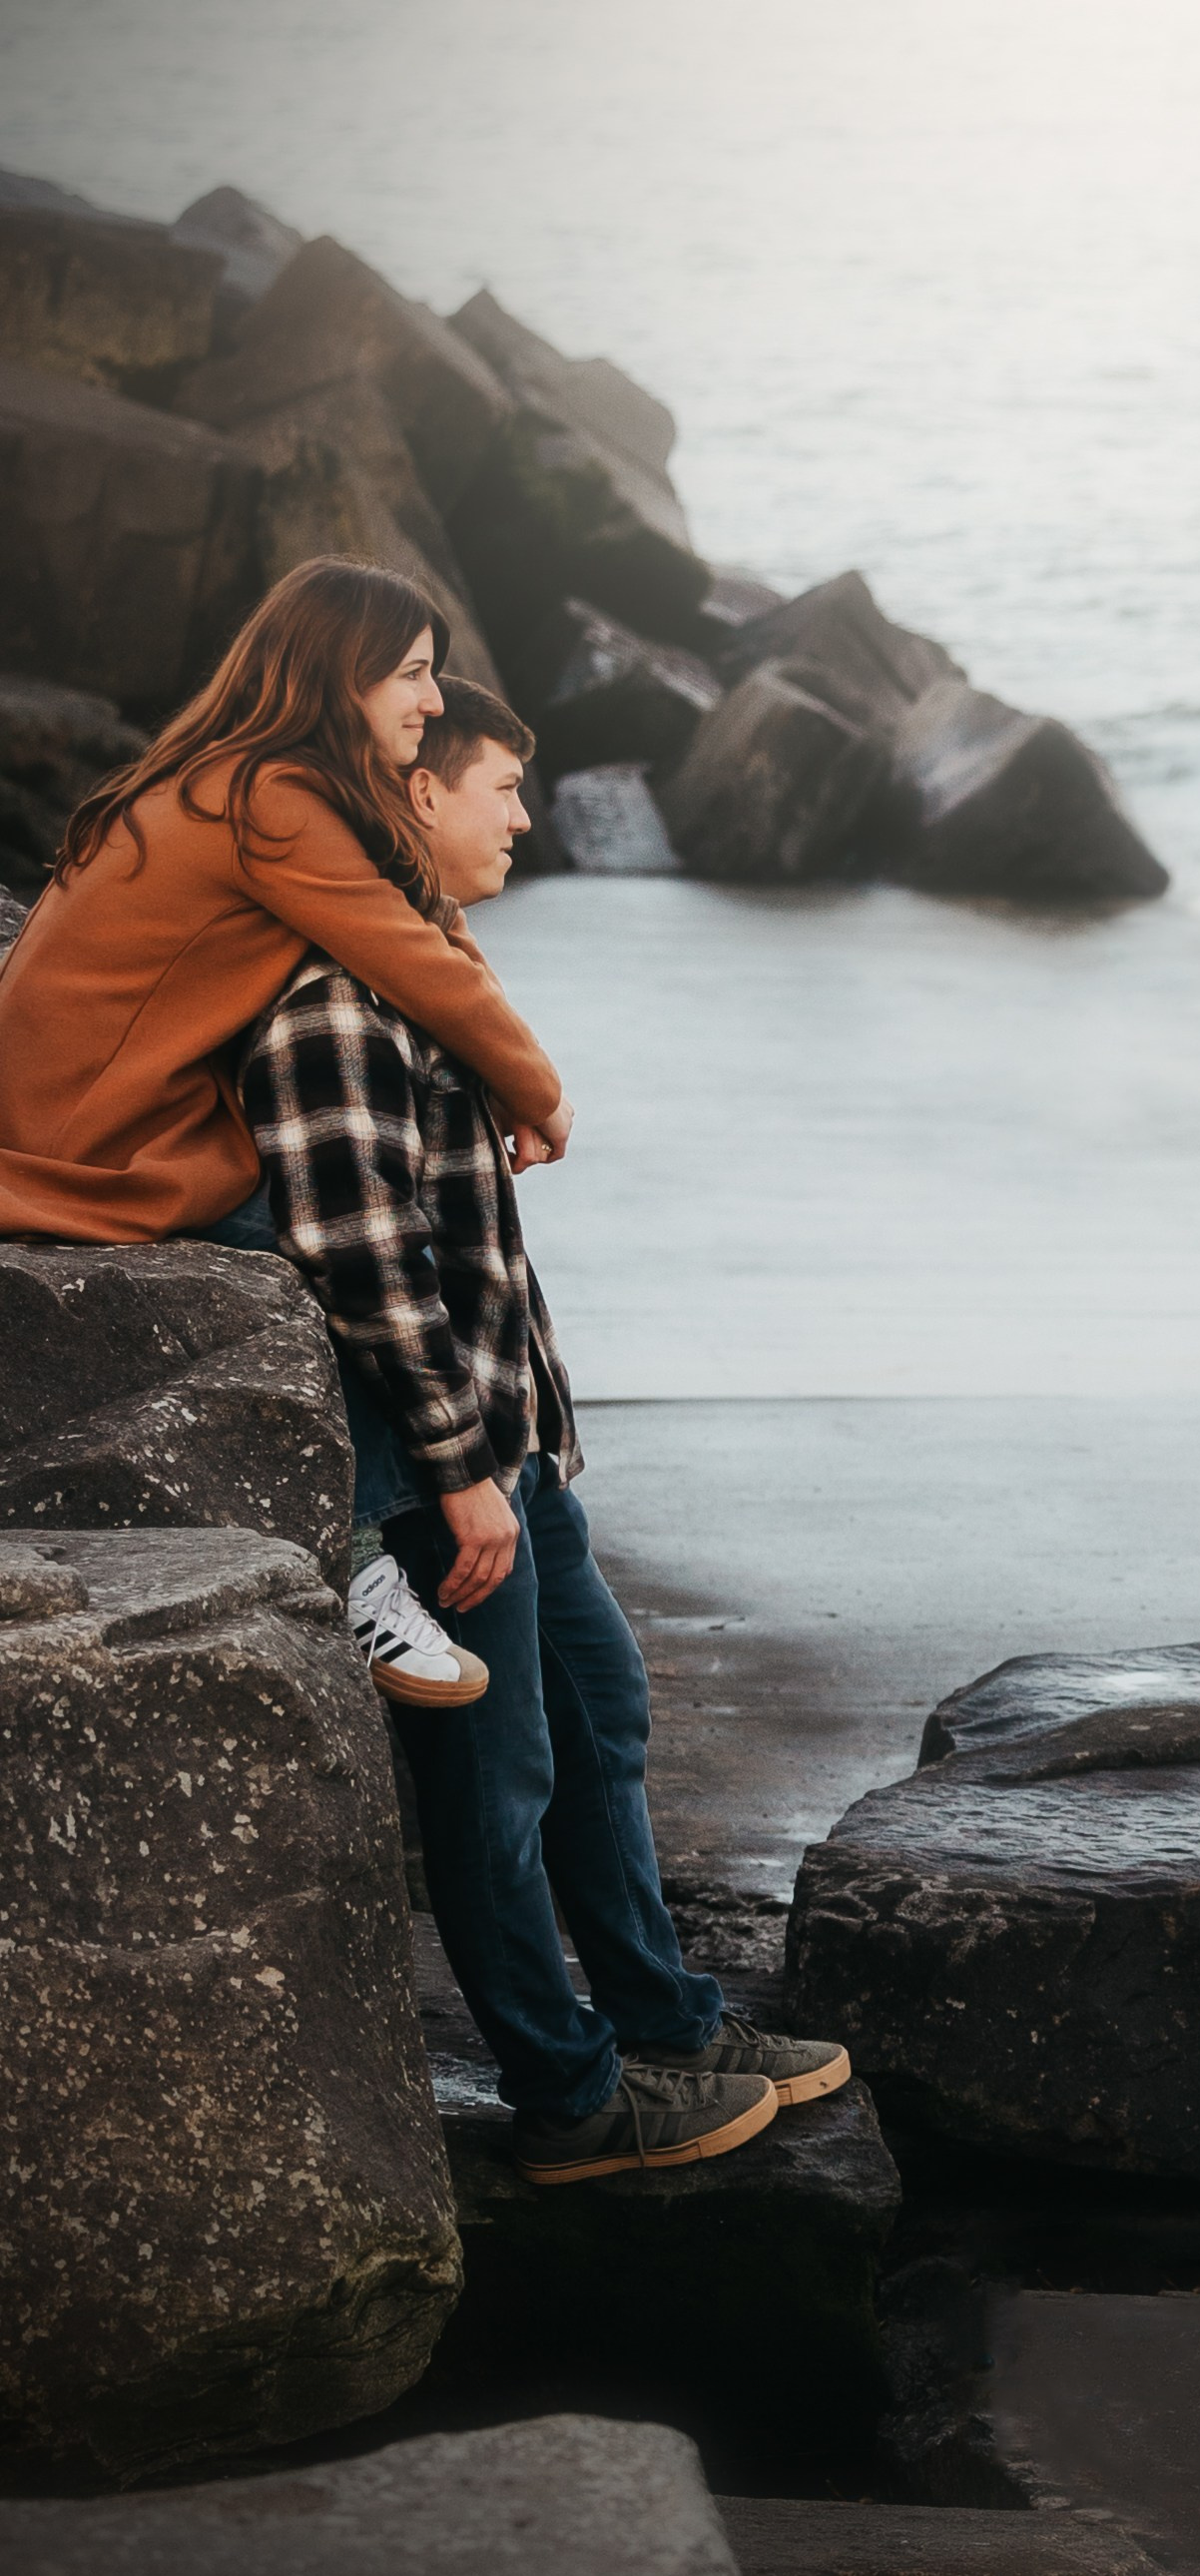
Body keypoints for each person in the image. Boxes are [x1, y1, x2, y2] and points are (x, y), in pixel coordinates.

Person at [235, 672, 850, 2187]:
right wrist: (455, 1479)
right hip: (447, 1469)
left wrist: (525, 1453)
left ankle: (665, 2023)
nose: (525, 813)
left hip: (511, 1448)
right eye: (500, 786)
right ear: (414, 793)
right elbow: (361, 1261)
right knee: (494, 1777)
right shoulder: (335, 1008)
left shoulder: (426, 980)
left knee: (605, 1716)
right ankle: (569, 2095)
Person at [0, 557, 570, 1247]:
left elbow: (424, 916)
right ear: (343, 674)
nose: (435, 702)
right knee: (398, 1231)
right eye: (411, 675)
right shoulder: (266, 803)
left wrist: (513, 1078)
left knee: (392, 1204)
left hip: (78, 1122)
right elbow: (417, 964)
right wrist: (541, 1094)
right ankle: (443, 1354)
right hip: (96, 1153)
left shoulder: (242, 775)